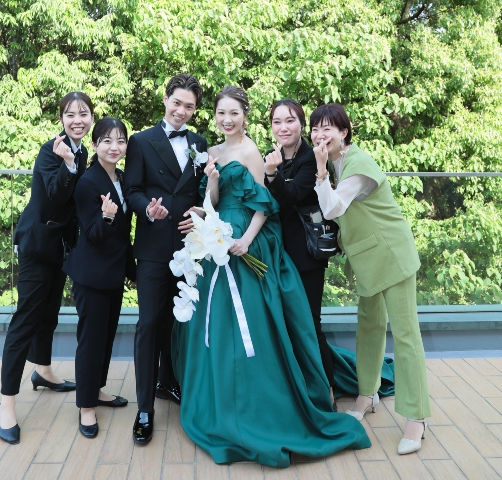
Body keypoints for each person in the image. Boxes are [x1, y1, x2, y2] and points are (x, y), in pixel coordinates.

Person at [172, 86, 370, 468]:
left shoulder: (252, 152)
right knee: (218, 322)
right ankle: (220, 397)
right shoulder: (213, 151)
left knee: (254, 324)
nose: (227, 119)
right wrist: (207, 193)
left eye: (234, 113)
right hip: (217, 240)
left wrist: (246, 240)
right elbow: (214, 200)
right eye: (221, 113)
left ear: (245, 117)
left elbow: (265, 204)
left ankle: (264, 399)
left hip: (245, 241)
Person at [311, 102, 431, 455]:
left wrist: (320, 171)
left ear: (344, 132)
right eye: (315, 128)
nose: (320, 134)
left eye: (328, 128)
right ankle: (367, 395)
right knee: (369, 327)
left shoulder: (358, 164)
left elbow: (333, 207)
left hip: (391, 255)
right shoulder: (336, 164)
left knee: (406, 335)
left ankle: (417, 417)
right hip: (367, 259)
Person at [0, 92, 94, 445]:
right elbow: (55, 194)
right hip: (37, 247)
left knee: (49, 313)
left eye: (83, 113)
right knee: (26, 319)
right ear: (61, 119)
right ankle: (6, 404)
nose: (77, 120)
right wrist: (67, 163)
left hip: (60, 248)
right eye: (70, 114)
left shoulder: (82, 151)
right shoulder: (50, 150)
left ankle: (43, 371)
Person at [125, 74, 208, 445]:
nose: (182, 111)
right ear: (165, 100)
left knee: (178, 321)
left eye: (189, 106)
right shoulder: (141, 141)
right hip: (154, 248)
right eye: (177, 103)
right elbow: (132, 190)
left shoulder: (199, 143)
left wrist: (201, 212)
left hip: (189, 249)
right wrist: (148, 209)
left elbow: (205, 193)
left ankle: (168, 382)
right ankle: (144, 409)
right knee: (148, 324)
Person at [63, 117, 134, 438]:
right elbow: (92, 234)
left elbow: (124, 234)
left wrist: (131, 270)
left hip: (114, 271)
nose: (114, 147)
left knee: (106, 337)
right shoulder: (88, 182)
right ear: (94, 145)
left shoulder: (121, 177)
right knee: (91, 341)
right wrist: (106, 216)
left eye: (120, 140)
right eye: (107, 140)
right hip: (92, 274)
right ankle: (86, 407)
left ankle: (97, 390)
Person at [264, 99, 336, 399]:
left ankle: (326, 388)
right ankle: (296, 389)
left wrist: (271, 175)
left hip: (306, 254)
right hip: (276, 255)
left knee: (309, 323)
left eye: (290, 120)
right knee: (284, 323)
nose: (283, 127)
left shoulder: (311, 158)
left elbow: (291, 196)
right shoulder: (271, 156)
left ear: (302, 125)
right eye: (277, 121)